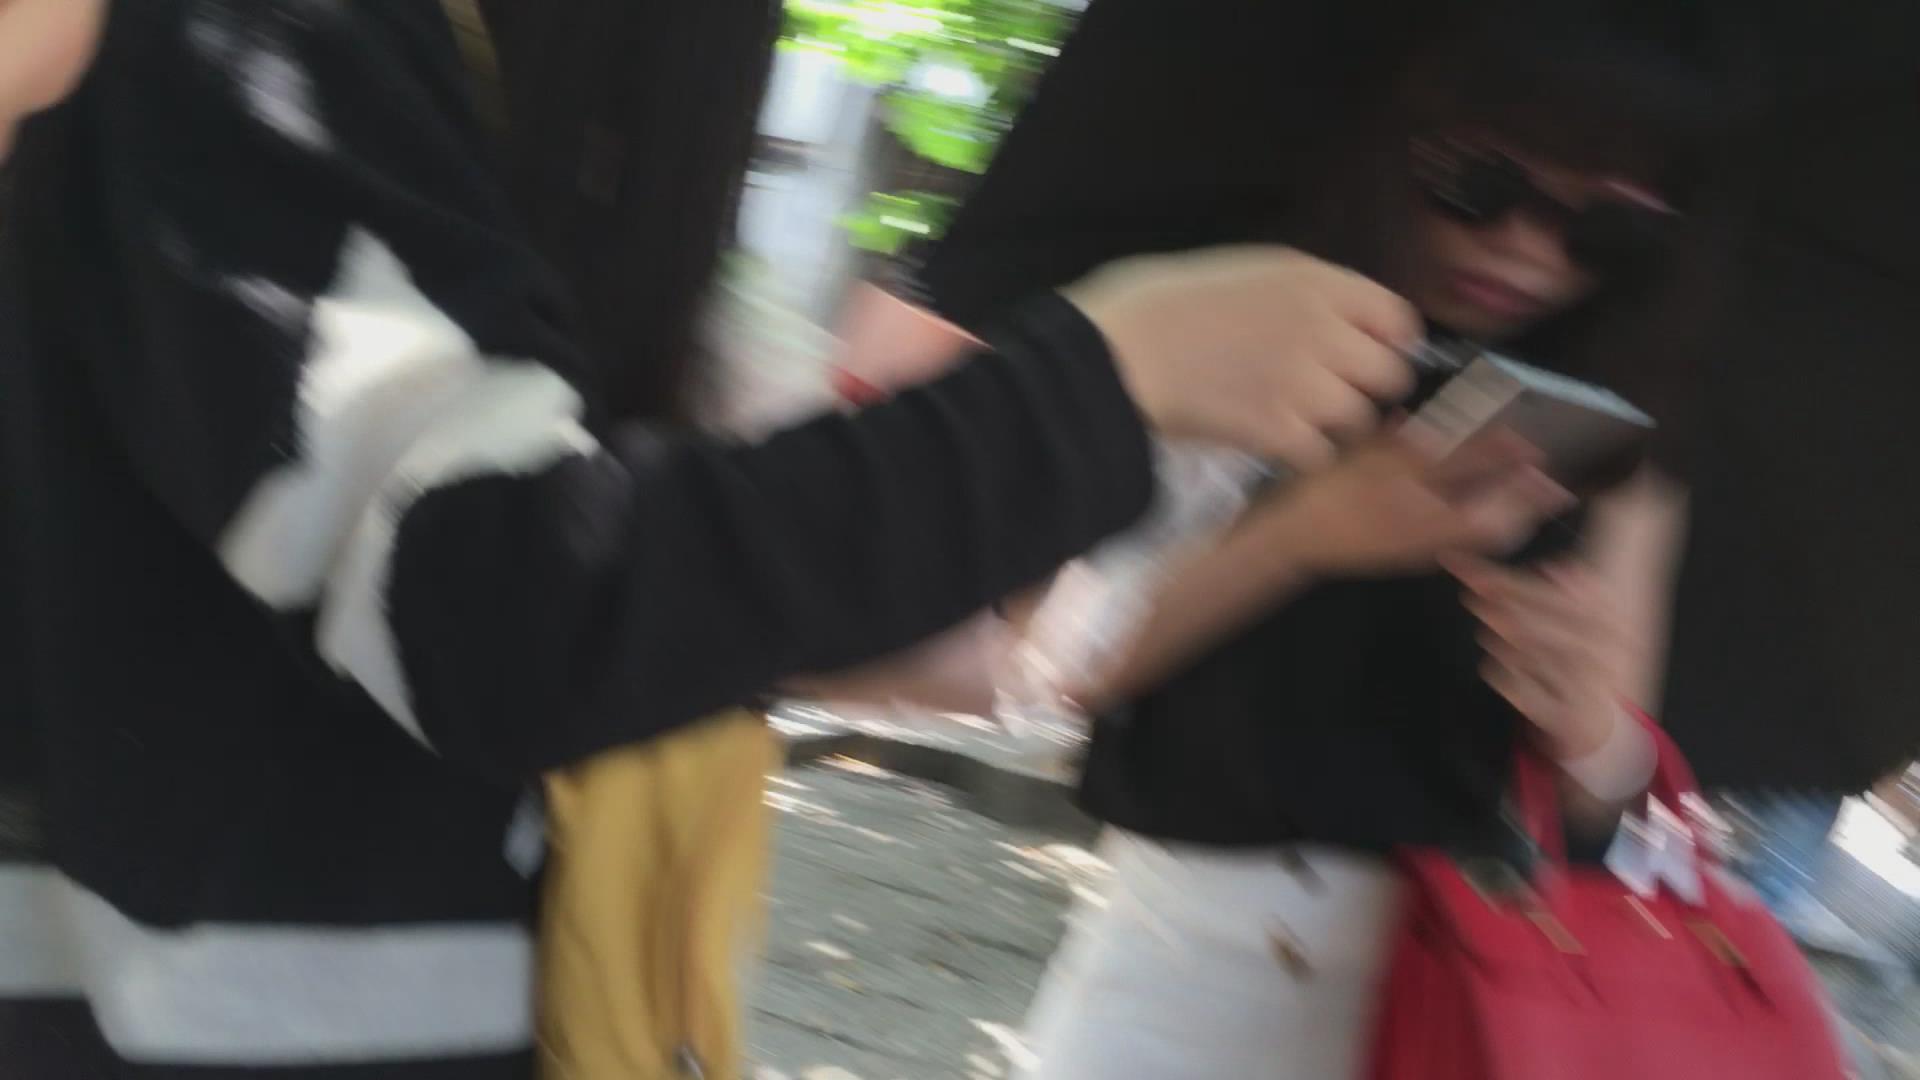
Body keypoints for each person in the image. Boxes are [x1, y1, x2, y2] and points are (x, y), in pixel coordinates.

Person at [0, 1, 1459, 1076]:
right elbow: (492, 601)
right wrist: (1111, 381)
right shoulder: (265, 37)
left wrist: (827, 596)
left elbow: (545, 539)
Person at [828, 4, 1736, 1077]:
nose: (1526, 250)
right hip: (1186, 959)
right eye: (1481, 185)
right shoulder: (1251, 327)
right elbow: (1049, 666)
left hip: (1472, 986)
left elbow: (1615, 788)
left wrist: (1590, 729)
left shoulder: (1615, 429)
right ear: (1393, 144)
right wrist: (1307, 534)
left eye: (1604, 232)